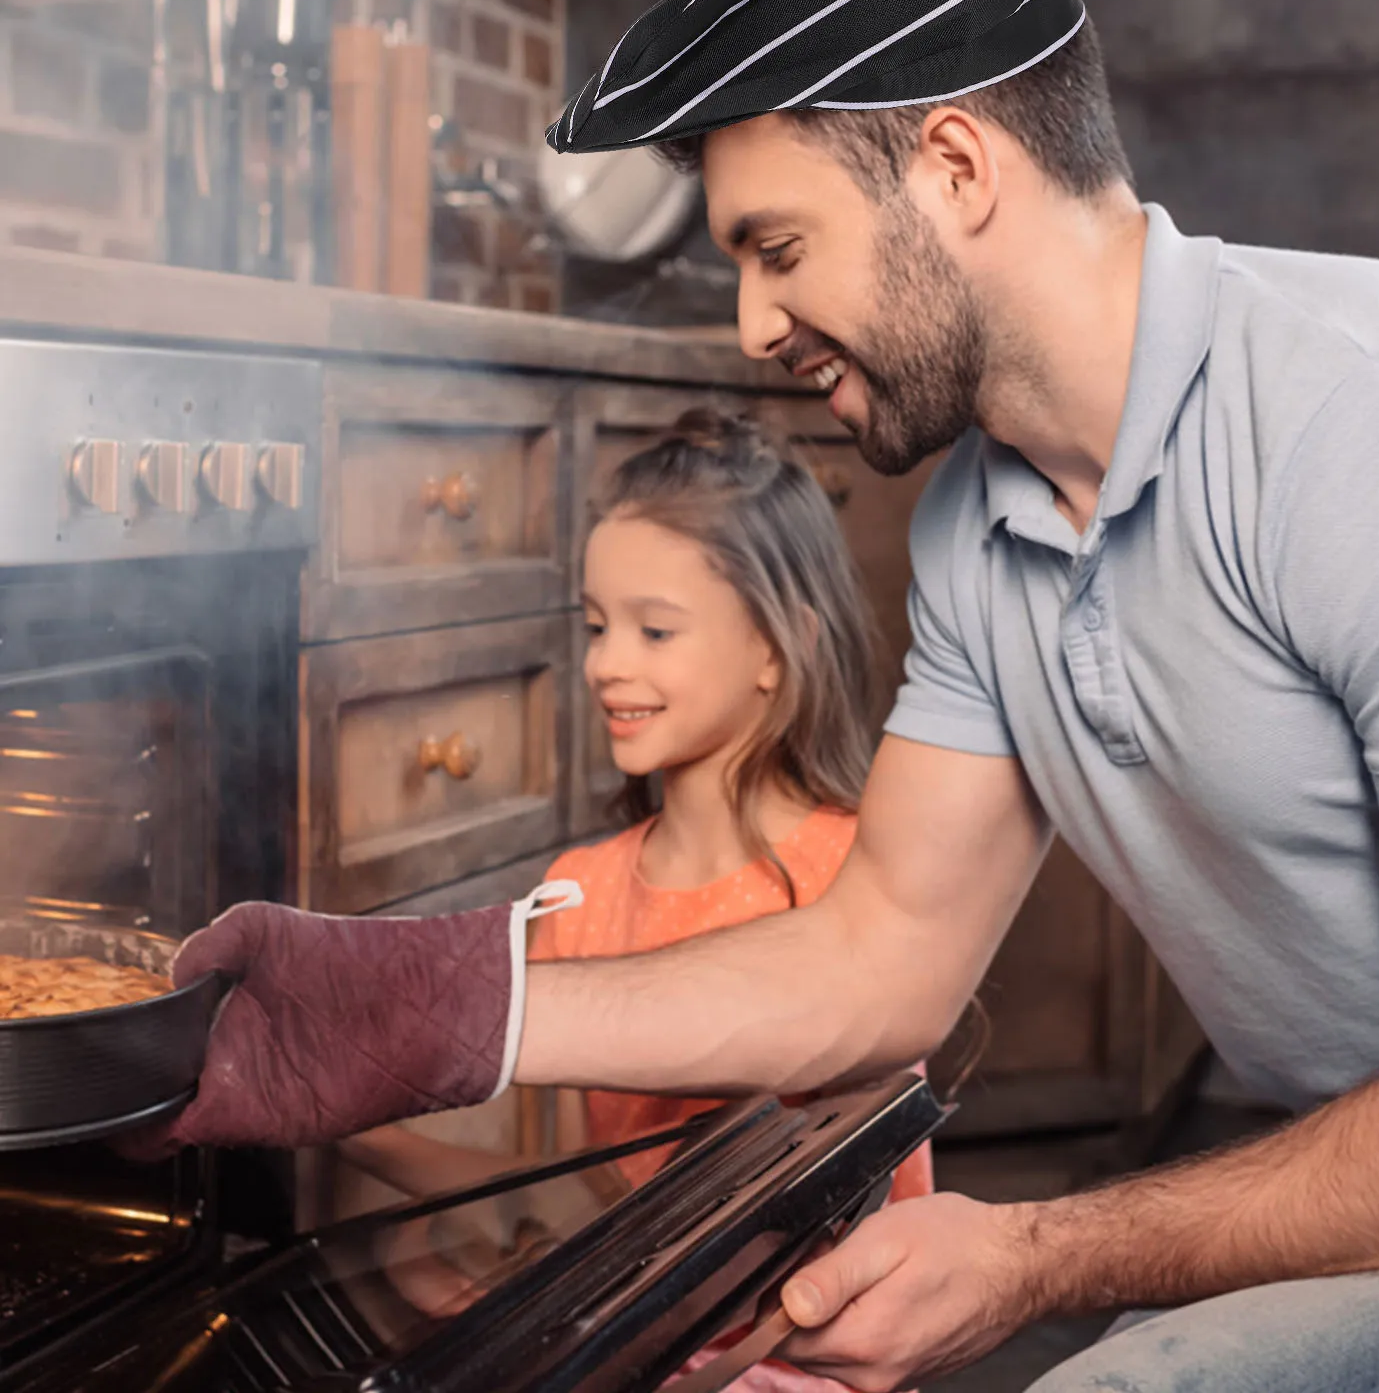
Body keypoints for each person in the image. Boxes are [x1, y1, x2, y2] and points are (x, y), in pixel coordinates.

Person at [158, 0, 1379, 1393]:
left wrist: (1036, 1257)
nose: (755, 322)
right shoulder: (983, 525)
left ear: (958, 168)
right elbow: (882, 954)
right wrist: (437, 1008)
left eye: (778, 250)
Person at [340, 410, 934, 1388]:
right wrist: (339, 1116)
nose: (605, 662)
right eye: (596, 624)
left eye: (654, 629)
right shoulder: (580, 891)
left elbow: (871, 1249)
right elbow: (595, 1210)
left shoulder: (859, 882)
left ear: (775, 650)